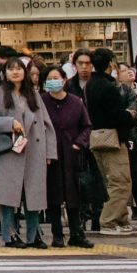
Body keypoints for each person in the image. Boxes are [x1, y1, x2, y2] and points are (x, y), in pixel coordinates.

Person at [0, 57, 55, 248]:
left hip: (33, 149)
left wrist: (49, 153)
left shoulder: (34, 94)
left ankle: (34, 234)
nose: (15, 72)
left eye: (19, 69)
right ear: (5, 72)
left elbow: (47, 124)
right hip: (8, 149)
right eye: (11, 69)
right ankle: (9, 234)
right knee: (7, 196)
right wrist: (9, 123)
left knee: (34, 194)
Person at [82, 47, 137, 235]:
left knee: (111, 180)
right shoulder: (108, 87)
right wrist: (130, 115)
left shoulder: (90, 84)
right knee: (120, 181)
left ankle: (121, 220)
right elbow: (117, 116)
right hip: (113, 138)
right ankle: (109, 220)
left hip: (97, 137)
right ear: (111, 64)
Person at [43, 68, 95, 248]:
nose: (53, 81)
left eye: (56, 78)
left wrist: (79, 143)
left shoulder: (76, 102)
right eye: (49, 79)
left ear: (64, 80)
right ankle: (57, 234)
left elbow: (87, 126)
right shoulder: (41, 102)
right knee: (54, 196)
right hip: (51, 155)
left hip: (73, 155)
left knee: (75, 196)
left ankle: (77, 233)